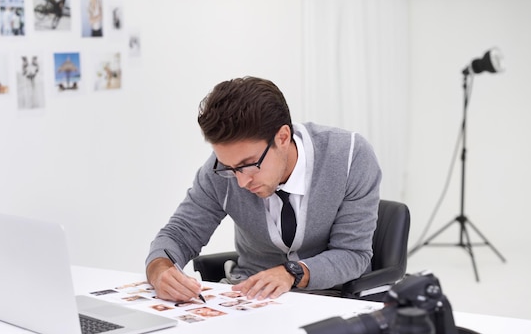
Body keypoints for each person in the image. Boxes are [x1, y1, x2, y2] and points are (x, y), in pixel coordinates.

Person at [145, 76, 381, 302]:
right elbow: (180, 233)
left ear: (282, 137)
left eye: (249, 165)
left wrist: (292, 272)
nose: (241, 181)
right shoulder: (219, 171)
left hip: (331, 299)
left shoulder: (350, 157)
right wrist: (160, 270)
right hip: (249, 300)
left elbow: (352, 254)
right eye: (230, 167)